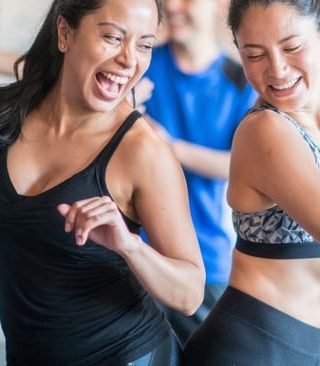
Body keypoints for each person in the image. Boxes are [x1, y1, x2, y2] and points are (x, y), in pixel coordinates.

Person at [0, 0, 206, 365]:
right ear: (65, 32)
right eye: (113, 37)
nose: (130, 60)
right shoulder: (2, 117)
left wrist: (130, 247)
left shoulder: (141, 152)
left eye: (145, 45)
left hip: (130, 355)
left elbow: (189, 293)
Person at [182, 0, 320, 365]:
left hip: (302, 350)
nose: (276, 69)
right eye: (254, 54)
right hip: (249, 351)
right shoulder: (265, 133)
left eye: (292, 47)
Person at [138, 0, 257, 345]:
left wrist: (167, 147)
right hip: (133, 254)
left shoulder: (242, 83)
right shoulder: (139, 64)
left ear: (221, 5)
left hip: (206, 262)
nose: (172, 6)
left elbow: (242, 166)